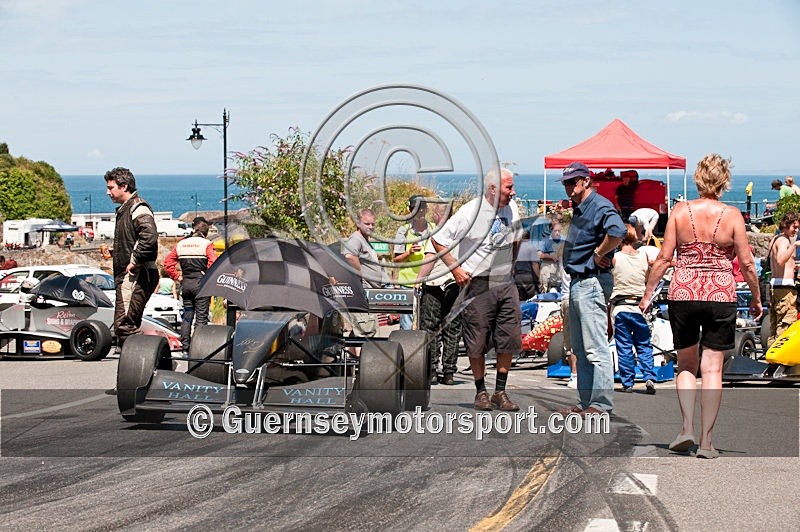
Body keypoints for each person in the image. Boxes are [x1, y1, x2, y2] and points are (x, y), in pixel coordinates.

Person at [640, 153, 761, 459]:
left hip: (683, 292)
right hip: (720, 294)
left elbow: (664, 258)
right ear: (724, 181)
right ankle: (707, 442)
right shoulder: (733, 215)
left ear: (697, 179)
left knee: (685, 364)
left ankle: (686, 428)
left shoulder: (680, 212)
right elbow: (746, 262)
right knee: (712, 368)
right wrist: (758, 297)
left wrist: (647, 293)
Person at [432, 168, 522, 412]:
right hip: (478, 283)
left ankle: (500, 392)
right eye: (508, 188)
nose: (513, 192)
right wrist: (456, 270)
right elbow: (439, 239)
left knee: (509, 337)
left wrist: (511, 266)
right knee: (477, 339)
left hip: (504, 282)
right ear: (492, 188)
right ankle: (481, 391)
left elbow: (517, 237)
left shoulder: (511, 208)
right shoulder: (470, 212)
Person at [560, 161, 626, 416]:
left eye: (572, 181)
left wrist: (599, 253)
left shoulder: (598, 205)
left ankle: (600, 404)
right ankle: (588, 402)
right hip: (580, 281)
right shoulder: (583, 207)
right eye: (566, 182)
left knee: (594, 347)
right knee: (580, 347)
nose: (568, 187)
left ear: (586, 181)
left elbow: (618, 231)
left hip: (591, 281)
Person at [104, 167, 159, 346]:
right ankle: (139, 366)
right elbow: (136, 240)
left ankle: (146, 363)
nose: (107, 192)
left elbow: (149, 237)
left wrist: (135, 261)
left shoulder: (137, 207)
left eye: (111, 188)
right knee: (125, 325)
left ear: (124, 186)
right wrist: (114, 253)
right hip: (131, 275)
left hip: (136, 275)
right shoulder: (127, 209)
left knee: (124, 325)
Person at [415, 202, 462, 386]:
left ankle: (432, 370)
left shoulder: (438, 234)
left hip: (435, 285)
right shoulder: (460, 235)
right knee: (452, 329)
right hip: (456, 285)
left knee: (431, 328)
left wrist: (419, 279)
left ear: (438, 215)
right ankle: (449, 372)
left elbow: (430, 259)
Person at [610, 224, 656, 394]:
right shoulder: (643, 256)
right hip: (639, 306)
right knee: (644, 344)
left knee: (624, 345)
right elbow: (647, 277)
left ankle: (627, 382)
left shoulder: (615, 258)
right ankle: (649, 376)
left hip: (620, 307)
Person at [164, 216, 217, 352]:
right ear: (205, 232)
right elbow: (214, 263)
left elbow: (168, 263)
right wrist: (208, 276)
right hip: (201, 283)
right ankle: (198, 347)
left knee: (187, 315)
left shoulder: (181, 244)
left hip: (186, 283)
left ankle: (185, 345)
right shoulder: (206, 244)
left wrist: (178, 276)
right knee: (201, 317)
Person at [343, 209, 387, 340]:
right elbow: (350, 256)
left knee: (360, 332)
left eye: (373, 224)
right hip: (362, 292)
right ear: (358, 223)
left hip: (369, 292)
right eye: (367, 224)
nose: (371, 227)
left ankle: (352, 357)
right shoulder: (356, 238)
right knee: (367, 331)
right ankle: (366, 360)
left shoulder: (365, 240)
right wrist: (359, 274)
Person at [394, 195, 433, 330]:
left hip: (429, 283)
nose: (420, 212)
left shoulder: (433, 228)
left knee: (427, 322)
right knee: (407, 324)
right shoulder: (403, 231)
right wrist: (409, 252)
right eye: (416, 209)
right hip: (408, 283)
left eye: (422, 208)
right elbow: (396, 259)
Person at [765, 210, 800, 347]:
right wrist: (794, 246)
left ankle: (772, 357)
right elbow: (780, 260)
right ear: (785, 225)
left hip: (775, 286)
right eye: (794, 227)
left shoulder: (775, 239)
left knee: (774, 325)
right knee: (786, 324)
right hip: (784, 288)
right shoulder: (784, 241)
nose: (796, 230)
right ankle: (781, 362)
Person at [513, 230, 539, 300]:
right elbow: (534, 264)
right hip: (528, 276)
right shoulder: (531, 247)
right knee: (531, 298)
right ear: (529, 237)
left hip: (517, 276)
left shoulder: (516, 248)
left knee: (520, 298)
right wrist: (537, 277)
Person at [539, 221, 563, 291]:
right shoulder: (545, 241)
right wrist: (551, 257)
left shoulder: (563, 240)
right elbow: (539, 254)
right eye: (555, 231)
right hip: (548, 270)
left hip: (559, 272)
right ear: (551, 230)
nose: (557, 233)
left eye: (559, 231)